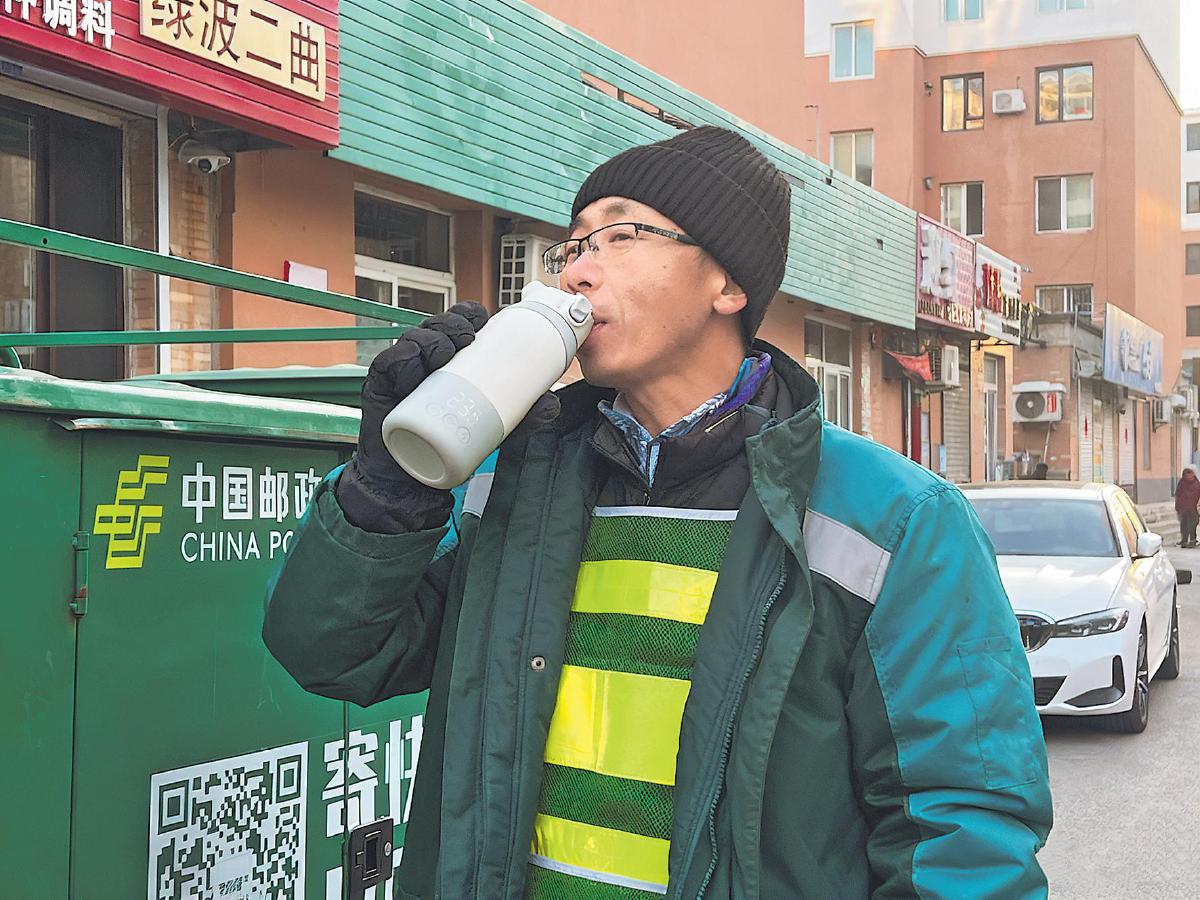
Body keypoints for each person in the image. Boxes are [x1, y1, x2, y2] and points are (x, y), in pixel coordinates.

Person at [263, 126, 1052, 898]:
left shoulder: (893, 519)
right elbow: (330, 654)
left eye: (620, 236)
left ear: (728, 286)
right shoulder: (507, 480)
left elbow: (961, 833)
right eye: (573, 247)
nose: (579, 272)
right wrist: (388, 484)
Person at [1175, 467, 1200, 548]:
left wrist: (1177, 507)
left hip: (1185, 507)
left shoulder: (1182, 482)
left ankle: (1185, 540)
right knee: (1193, 523)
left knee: (1185, 524)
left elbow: (1178, 494)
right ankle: (1192, 540)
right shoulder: (1196, 482)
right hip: (1193, 507)